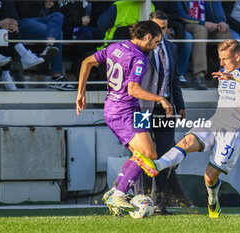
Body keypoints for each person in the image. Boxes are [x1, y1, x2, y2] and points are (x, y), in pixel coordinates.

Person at [134, 39, 240, 218]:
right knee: (187, 141)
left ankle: (213, 203)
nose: (221, 63)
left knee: (209, 177)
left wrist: (235, 78)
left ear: (237, 56)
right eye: (220, 59)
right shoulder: (223, 71)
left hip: (234, 131)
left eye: (225, 59)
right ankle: (157, 165)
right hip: (215, 122)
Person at [76, 20, 173, 216]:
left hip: (126, 108)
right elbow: (133, 89)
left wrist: (80, 93)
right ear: (147, 38)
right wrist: (160, 98)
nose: (156, 46)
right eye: (156, 42)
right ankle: (119, 193)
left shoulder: (115, 47)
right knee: (150, 155)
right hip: (124, 110)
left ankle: (115, 192)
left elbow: (87, 62)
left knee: (142, 154)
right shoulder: (139, 58)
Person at [133, 10, 188, 215]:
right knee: (141, 155)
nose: (162, 32)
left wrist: (180, 105)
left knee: (167, 156)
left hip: (166, 108)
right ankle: (140, 199)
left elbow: (174, 79)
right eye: (158, 28)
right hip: (141, 107)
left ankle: (158, 203)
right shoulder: (140, 48)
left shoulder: (171, 48)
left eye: (164, 28)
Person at [16, 0, 76, 91]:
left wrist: (48, 4)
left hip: (40, 20)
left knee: (58, 16)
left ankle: (49, 45)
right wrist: (43, 2)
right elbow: (22, 7)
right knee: (58, 33)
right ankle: (57, 77)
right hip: (23, 21)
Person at [0, 0, 46, 91]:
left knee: (11, 30)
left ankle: (6, 74)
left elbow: (11, 10)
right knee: (4, 32)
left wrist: (14, 22)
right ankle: (23, 57)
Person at [177, 1, 232, 90]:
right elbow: (180, 15)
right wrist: (203, 23)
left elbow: (218, 10)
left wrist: (221, 21)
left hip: (209, 25)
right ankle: (199, 75)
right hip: (188, 25)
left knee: (225, 34)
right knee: (201, 30)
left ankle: (225, 74)